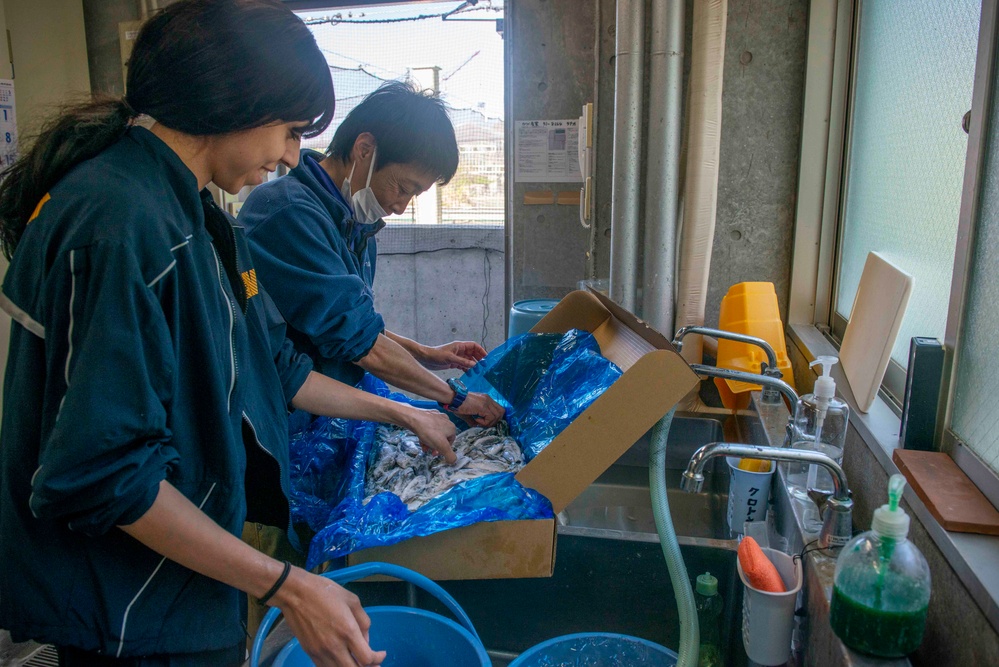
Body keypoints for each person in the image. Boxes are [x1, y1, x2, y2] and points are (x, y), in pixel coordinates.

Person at [0, 2, 454, 665]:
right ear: (233, 103)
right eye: (292, 132)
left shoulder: (198, 215)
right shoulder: (121, 222)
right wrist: (286, 585)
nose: (291, 156)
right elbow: (104, 473)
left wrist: (402, 409)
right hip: (131, 602)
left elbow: (278, 366)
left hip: (188, 577)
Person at [238, 81, 505, 442]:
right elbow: (356, 341)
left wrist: (423, 353)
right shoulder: (289, 214)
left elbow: (354, 322)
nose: (400, 206)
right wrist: (455, 397)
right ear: (364, 149)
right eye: (403, 187)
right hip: (285, 419)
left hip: (328, 412)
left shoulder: (356, 223)